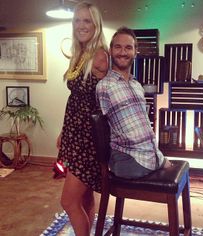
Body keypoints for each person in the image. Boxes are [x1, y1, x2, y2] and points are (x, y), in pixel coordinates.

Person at [56, 2, 108, 236]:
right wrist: (63, 132)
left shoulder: (99, 56)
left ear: (96, 25)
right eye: (77, 20)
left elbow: (106, 101)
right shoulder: (80, 54)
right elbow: (77, 101)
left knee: (68, 201)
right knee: (85, 196)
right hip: (74, 134)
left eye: (87, 20)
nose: (81, 25)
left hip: (88, 141)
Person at [96, 27, 172, 179]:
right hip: (128, 160)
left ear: (135, 52)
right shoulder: (104, 87)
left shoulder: (137, 85)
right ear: (110, 50)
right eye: (118, 47)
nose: (123, 52)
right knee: (172, 171)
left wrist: (158, 156)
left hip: (149, 153)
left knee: (176, 170)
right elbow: (102, 129)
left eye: (128, 48)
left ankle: (157, 159)